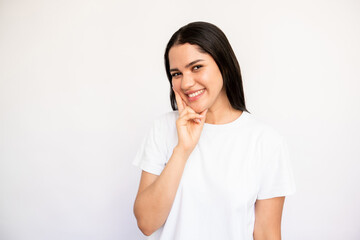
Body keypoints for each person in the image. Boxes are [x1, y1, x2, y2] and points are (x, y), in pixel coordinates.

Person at [132, 21, 296, 240]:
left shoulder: (265, 141)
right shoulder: (162, 129)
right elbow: (146, 223)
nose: (187, 83)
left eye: (196, 67)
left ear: (224, 65)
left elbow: (267, 234)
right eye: (177, 73)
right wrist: (182, 150)